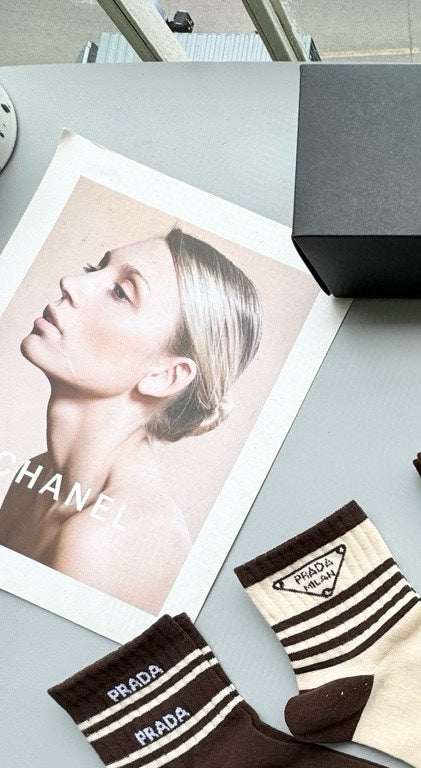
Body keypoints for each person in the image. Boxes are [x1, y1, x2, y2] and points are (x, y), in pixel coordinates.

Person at [0, 226, 263, 613]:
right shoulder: (35, 479)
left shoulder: (100, 541)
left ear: (166, 376)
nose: (70, 282)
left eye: (121, 292)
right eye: (95, 268)